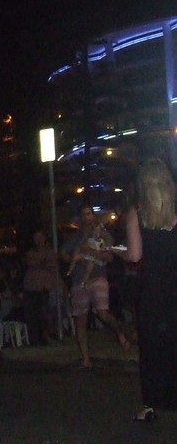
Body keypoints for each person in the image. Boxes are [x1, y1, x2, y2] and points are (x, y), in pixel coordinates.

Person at [123, 158, 177, 421]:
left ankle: (152, 403)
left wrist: (116, 252)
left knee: (152, 345)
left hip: (152, 288)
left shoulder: (137, 213)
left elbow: (134, 255)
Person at [61, 205, 130, 368]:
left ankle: (119, 332)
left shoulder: (104, 235)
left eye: (89, 214)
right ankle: (86, 359)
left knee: (102, 313)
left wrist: (90, 253)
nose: (86, 218)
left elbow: (109, 256)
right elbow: (63, 253)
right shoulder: (75, 237)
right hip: (79, 280)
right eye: (83, 215)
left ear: (93, 216)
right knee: (81, 319)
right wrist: (74, 257)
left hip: (98, 277)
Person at [23, 230, 58, 345]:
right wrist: (39, 262)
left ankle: (47, 336)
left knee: (44, 312)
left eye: (40, 237)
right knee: (31, 313)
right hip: (31, 287)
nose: (38, 241)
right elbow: (29, 261)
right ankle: (34, 339)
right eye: (36, 238)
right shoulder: (31, 252)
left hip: (44, 287)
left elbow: (49, 263)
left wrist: (39, 263)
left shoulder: (49, 251)